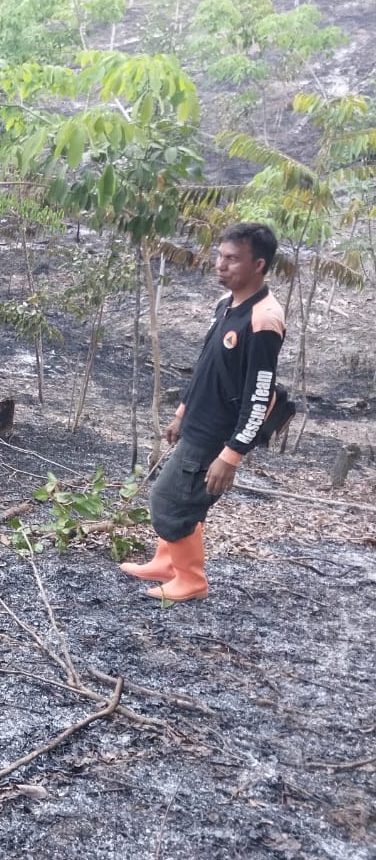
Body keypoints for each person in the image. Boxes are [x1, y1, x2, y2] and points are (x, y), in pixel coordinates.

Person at [121, 222, 286, 602]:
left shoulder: (264, 319)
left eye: (232, 259)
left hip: (219, 432)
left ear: (258, 265)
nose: (220, 265)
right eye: (220, 256)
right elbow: (207, 365)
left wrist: (231, 455)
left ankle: (191, 580)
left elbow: (259, 394)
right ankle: (168, 563)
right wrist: (181, 412)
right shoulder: (225, 305)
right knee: (183, 495)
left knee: (170, 502)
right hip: (198, 421)